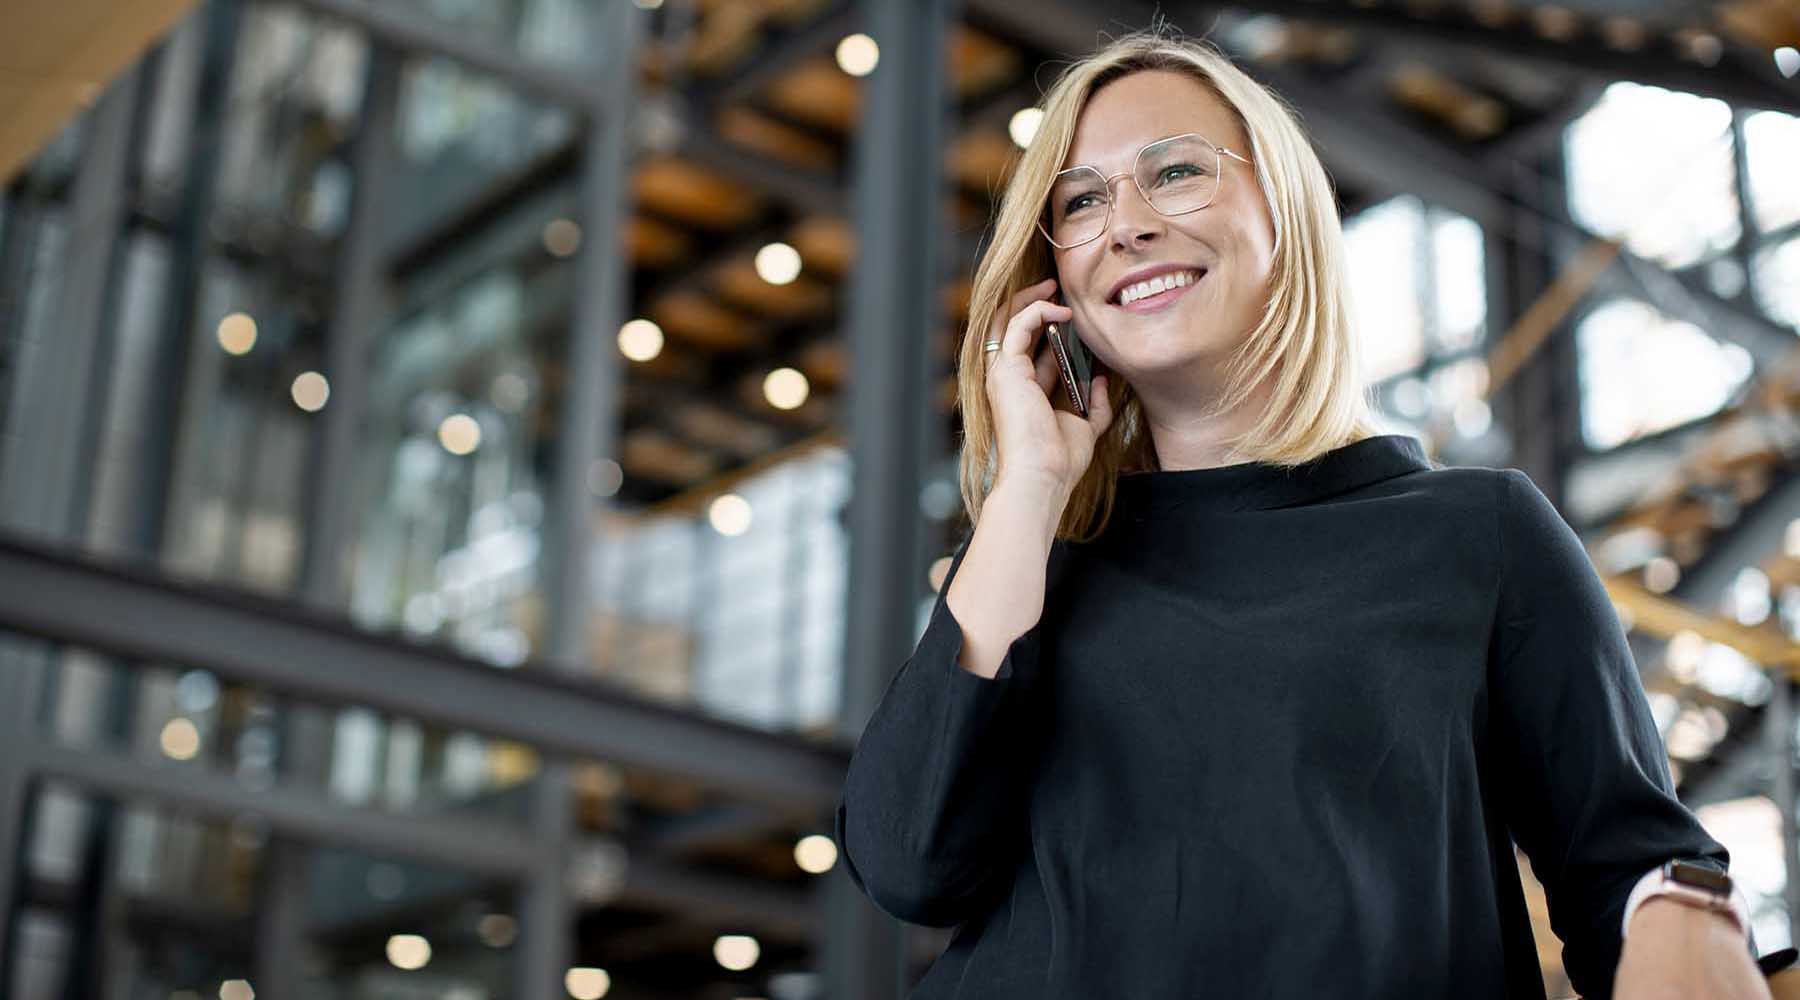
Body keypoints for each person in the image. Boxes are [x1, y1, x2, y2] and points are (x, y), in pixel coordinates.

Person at [832, 26, 1782, 1000]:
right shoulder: (1033, 568)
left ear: (1282, 213)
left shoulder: (1477, 532)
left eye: (1175, 173)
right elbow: (909, 862)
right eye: (1081, 200)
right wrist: (1028, 485)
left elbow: (1632, 870)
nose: (1126, 223)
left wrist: (1685, 905)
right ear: (1057, 280)